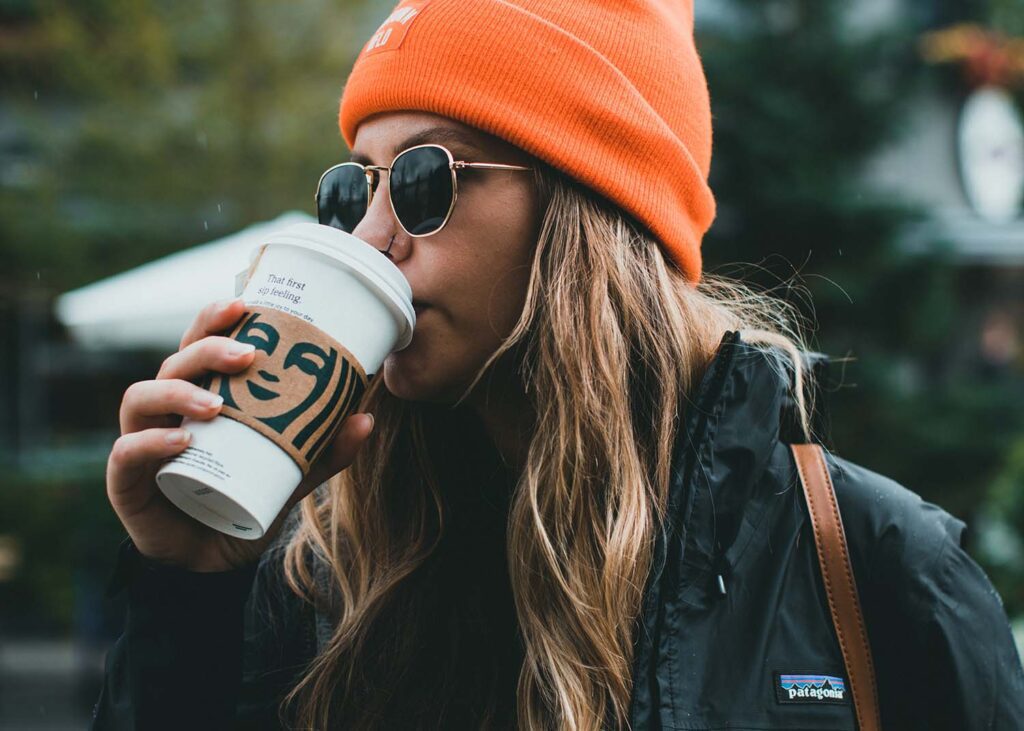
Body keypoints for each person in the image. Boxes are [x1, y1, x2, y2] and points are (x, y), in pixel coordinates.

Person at [91, 1, 1024, 729]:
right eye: (353, 189)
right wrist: (189, 592)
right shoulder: (325, 577)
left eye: (423, 180)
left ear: (588, 214)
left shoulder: (873, 569)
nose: (371, 239)